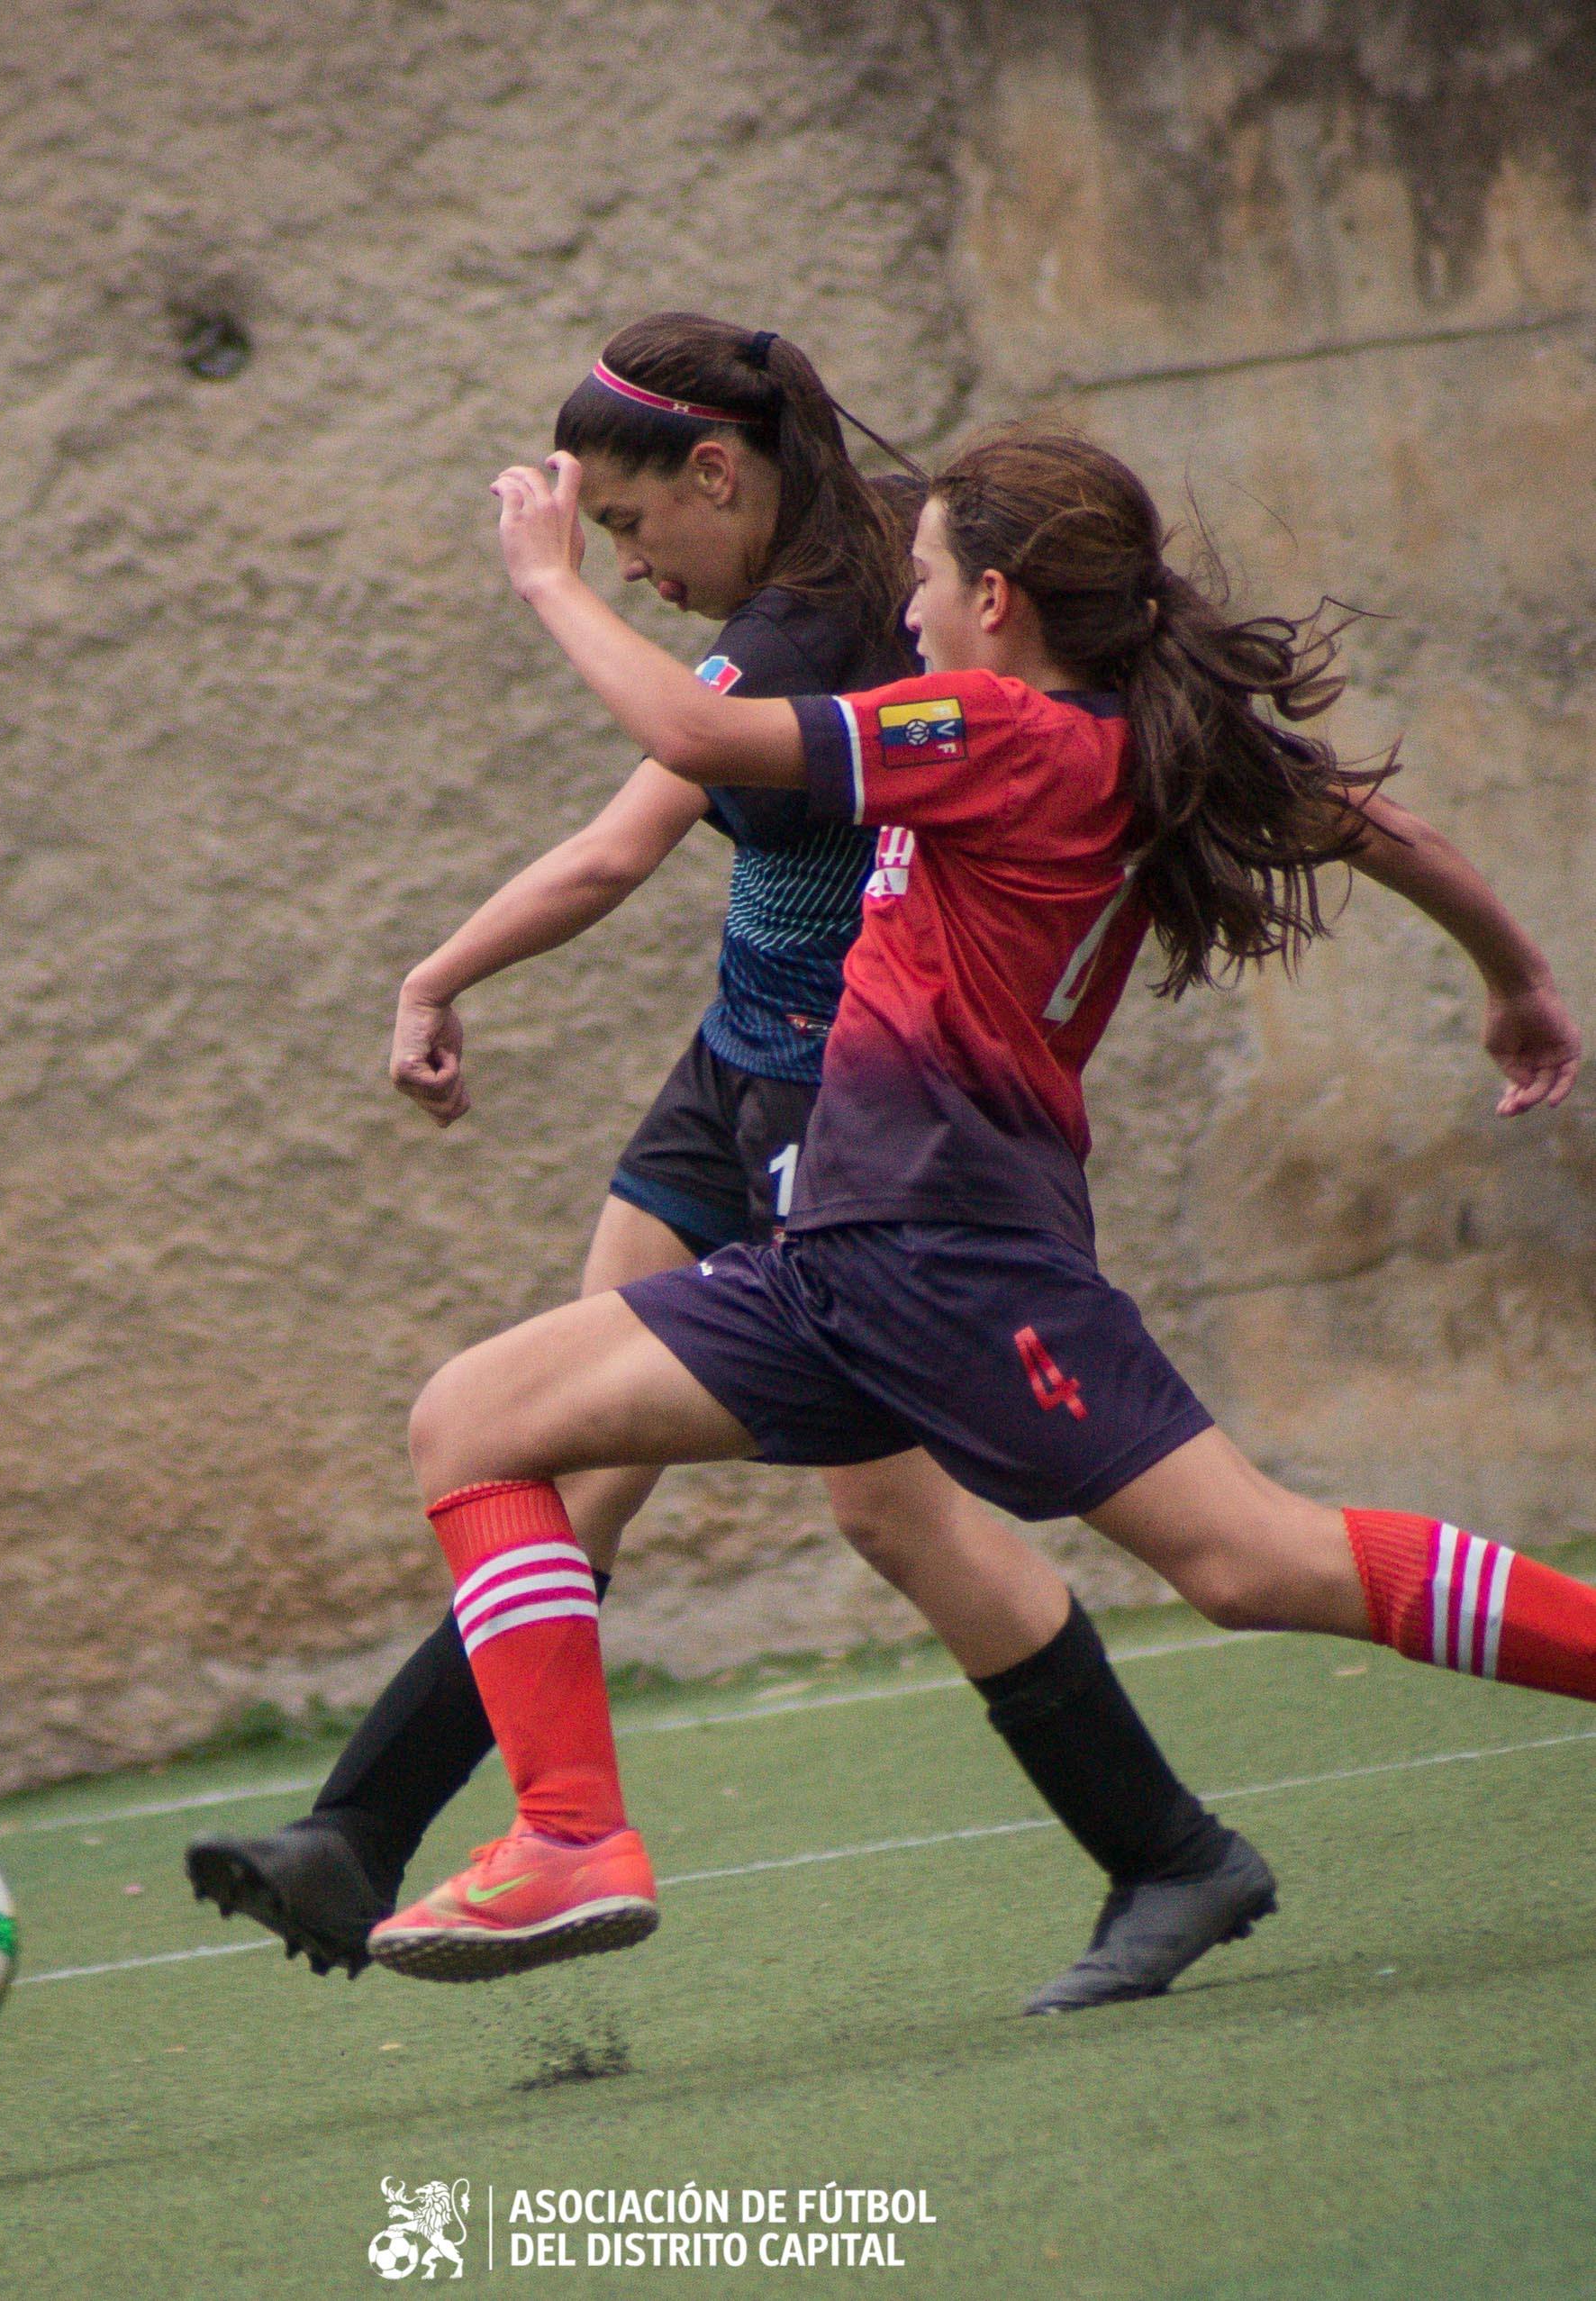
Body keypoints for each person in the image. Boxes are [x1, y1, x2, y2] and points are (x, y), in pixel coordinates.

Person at [363, 421, 1582, 1984]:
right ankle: (567, 1837)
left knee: (1253, 1564)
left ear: (997, 599)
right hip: (846, 1263)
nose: (907, 606)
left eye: (926, 577)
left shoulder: (987, 726)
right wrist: (1519, 982)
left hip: (955, 1260)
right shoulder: (1149, 739)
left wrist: (548, 575)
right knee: (474, 1419)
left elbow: (690, 727)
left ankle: (576, 1831)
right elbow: (1382, 828)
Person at [188, 321, 1290, 2016]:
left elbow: (621, 847)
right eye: (603, 545)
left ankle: (1168, 1846)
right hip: (735, 1072)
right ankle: (369, 1828)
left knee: (878, 1506)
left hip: (840, 1115)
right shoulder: (881, 543)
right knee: (544, 1446)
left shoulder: (817, 626)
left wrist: (437, 975)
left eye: (635, 529)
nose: (632, 565)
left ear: (720, 473)